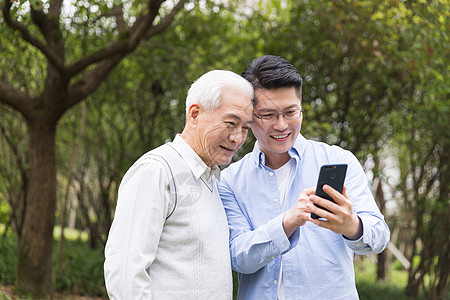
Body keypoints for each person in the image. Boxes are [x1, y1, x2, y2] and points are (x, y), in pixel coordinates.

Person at [218, 55, 390, 299]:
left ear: (301, 107)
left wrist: (352, 226)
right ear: (249, 115)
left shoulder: (338, 161)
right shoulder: (230, 180)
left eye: (290, 112)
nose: (281, 125)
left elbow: (379, 236)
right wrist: (287, 223)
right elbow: (238, 257)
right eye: (268, 115)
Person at [104, 70, 254, 299]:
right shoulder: (157, 170)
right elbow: (125, 275)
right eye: (230, 123)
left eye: (245, 128)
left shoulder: (212, 178)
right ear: (195, 114)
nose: (237, 138)